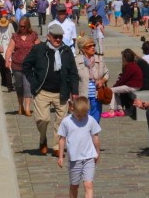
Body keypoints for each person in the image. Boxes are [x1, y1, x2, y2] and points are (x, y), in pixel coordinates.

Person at [22, 24, 79, 155]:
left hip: (62, 91)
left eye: (60, 37)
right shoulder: (39, 49)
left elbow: (73, 73)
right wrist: (33, 81)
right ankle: (43, 139)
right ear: (48, 36)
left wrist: (74, 92)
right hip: (43, 90)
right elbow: (26, 65)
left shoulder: (66, 51)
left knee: (61, 121)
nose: (58, 39)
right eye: (55, 37)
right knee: (42, 119)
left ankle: (57, 147)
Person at [56, 96, 101, 198]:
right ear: (71, 109)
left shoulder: (91, 120)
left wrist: (97, 152)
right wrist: (60, 156)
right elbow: (62, 139)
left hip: (88, 157)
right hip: (74, 159)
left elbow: (95, 137)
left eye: (84, 115)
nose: (81, 117)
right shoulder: (66, 122)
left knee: (88, 184)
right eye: (78, 115)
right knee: (74, 186)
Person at [6, 17, 40, 116]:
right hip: (17, 65)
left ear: (28, 26)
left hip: (30, 66)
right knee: (19, 86)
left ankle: (28, 108)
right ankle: (20, 106)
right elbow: (9, 49)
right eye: (20, 26)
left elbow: (39, 48)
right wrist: (7, 60)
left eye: (24, 26)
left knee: (28, 86)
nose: (22, 28)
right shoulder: (15, 36)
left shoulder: (33, 35)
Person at [75, 38, 109, 124]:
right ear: (83, 49)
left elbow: (106, 73)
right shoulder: (77, 60)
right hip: (83, 94)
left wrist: (102, 80)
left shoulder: (99, 59)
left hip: (97, 94)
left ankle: (93, 136)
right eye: (89, 46)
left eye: (94, 45)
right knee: (83, 119)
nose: (93, 47)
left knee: (95, 120)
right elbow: (73, 78)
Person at [108, 49, 145, 118]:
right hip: (135, 85)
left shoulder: (130, 66)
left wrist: (115, 86)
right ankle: (120, 109)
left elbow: (124, 79)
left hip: (133, 86)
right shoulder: (133, 64)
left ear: (125, 58)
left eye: (122, 57)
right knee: (114, 90)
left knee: (111, 90)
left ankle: (112, 110)